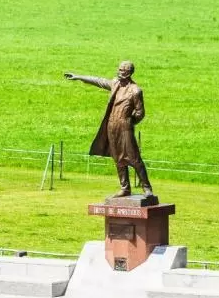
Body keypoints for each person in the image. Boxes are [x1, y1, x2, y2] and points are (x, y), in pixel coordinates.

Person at [65, 61, 154, 198]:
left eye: (122, 70)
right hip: (111, 126)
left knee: (134, 158)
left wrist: (129, 122)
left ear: (128, 72)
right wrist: (78, 77)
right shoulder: (115, 84)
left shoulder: (135, 90)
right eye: (119, 69)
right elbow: (99, 81)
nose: (119, 72)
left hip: (125, 127)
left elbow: (140, 112)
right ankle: (125, 187)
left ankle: (147, 188)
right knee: (117, 158)